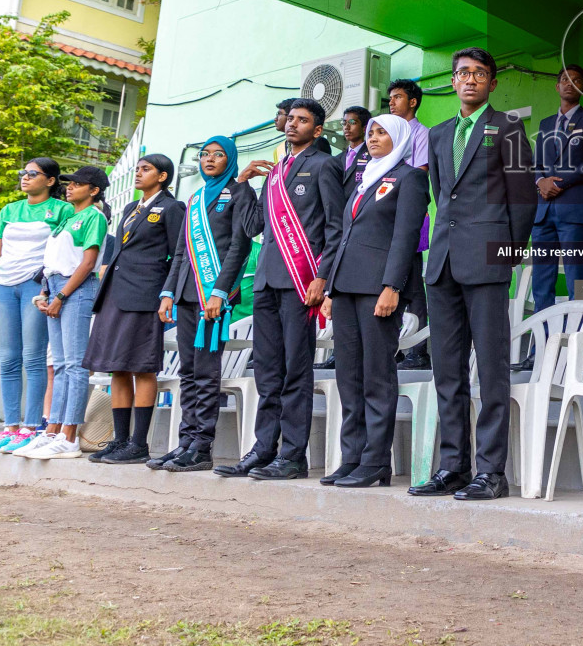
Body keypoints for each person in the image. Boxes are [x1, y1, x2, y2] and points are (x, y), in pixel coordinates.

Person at [410, 48, 535, 501]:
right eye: (462, 73)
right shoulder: (441, 134)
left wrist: (508, 251)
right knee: (446, 369)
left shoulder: (509, 129)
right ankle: (452, 466)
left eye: (479, 74)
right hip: (442, 262)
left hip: (486, 260)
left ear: (492, 82)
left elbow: (523, 198)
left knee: (492, 367)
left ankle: (491, 472)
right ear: (453, 80)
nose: (469, 80)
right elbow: (441, 195)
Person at [222, 99, 345, 480]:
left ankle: (293, 455)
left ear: (317, 130)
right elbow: (254, 226)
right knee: (268, 371)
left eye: (302, 120)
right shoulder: (275, 174)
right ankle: (263, 450)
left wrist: (322, 278)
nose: (292, 124)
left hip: (300, 281)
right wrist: (242, 186)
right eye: (290, 118)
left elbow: (335, 229)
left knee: (296, 369)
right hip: (266, 281)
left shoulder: (324, 166)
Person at [320, 114, 430, 488]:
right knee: (348, 375)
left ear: (399, 137)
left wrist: (393, 286)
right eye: (370, 133)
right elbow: (344, 237)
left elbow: (405, 237)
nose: (373, 138)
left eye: (382, 132)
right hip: (347, 287)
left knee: (376, 375)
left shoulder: (411, 178)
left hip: (378, 289)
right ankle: (351, 457)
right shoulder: (364, 181)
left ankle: (375, 461)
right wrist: (332, 289)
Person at [155, 136, 259, 473]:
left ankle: (202, 446)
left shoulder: (241, 191)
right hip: (186, 294)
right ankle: (185, 441)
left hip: (213, 298)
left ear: (229, 159)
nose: (209, 159)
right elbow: (182, 251)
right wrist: (168, 292)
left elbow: (239, 248)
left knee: (205, 371)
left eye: (217, 155)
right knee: (188, 370)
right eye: (204, 154)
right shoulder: (196, 197)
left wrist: (219, 291)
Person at [83, 155, 185, 465]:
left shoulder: (171, 207)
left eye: (146, 169)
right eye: (137, 169)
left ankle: (139, 444)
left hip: (145, 294)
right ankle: (120, 440)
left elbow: (178, 255)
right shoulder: (130, 208)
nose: (138, 174)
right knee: (117, 366)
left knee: (141, 365)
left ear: (163, 176)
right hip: (116, 292)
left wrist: (167, 293)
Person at [0, 159, 75, 455]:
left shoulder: (62, 210)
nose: (25, 178)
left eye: (33, 174)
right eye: (24, 173)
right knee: (7, 359)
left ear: (51, 181)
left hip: (36, 286)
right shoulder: (10, 210)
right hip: (4, 288)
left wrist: (53, 291)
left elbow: (66, 250)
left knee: (33, 358)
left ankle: (31, 428)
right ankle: (9, 428)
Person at [16, 167, 110, 460]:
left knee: (74, 365)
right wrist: (45, 292)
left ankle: (70, 436)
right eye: (69, 184)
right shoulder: (67, 217)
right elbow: (53, 261)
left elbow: (87, 262)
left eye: (78, 184)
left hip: (76, 289)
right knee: (59, 365)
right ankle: (53, 431)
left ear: (93, 190)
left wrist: (61, 295)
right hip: (55, 287)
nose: (70, 188)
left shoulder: (94, 216)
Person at [531, 65, 583, 311]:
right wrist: (541, 181)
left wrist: (555, 182)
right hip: (542, 211)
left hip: (572, 209)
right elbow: (536, 162)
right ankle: (542, 343)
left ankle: (576, 344)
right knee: (541, 282)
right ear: (557, 86)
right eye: (564, 79)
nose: (570, 83)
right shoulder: (545, 123)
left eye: (577, 80)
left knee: (577, 280)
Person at [386, 79, 432, 368]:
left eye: (398, 97)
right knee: (391, 284)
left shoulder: (422, 134)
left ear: (413, 102)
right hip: (384, 217)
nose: (391, 102)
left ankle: (418, 351)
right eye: (390, 97)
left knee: (413, 285)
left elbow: (420, 171)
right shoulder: (388, 133)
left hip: (409, 216)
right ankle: (397, 348)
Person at [338, 106, 372, 190]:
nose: (346, 127)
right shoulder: (337, 158)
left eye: (352, 122)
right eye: (344, 123)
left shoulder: (372, 156)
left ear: (364, 128)